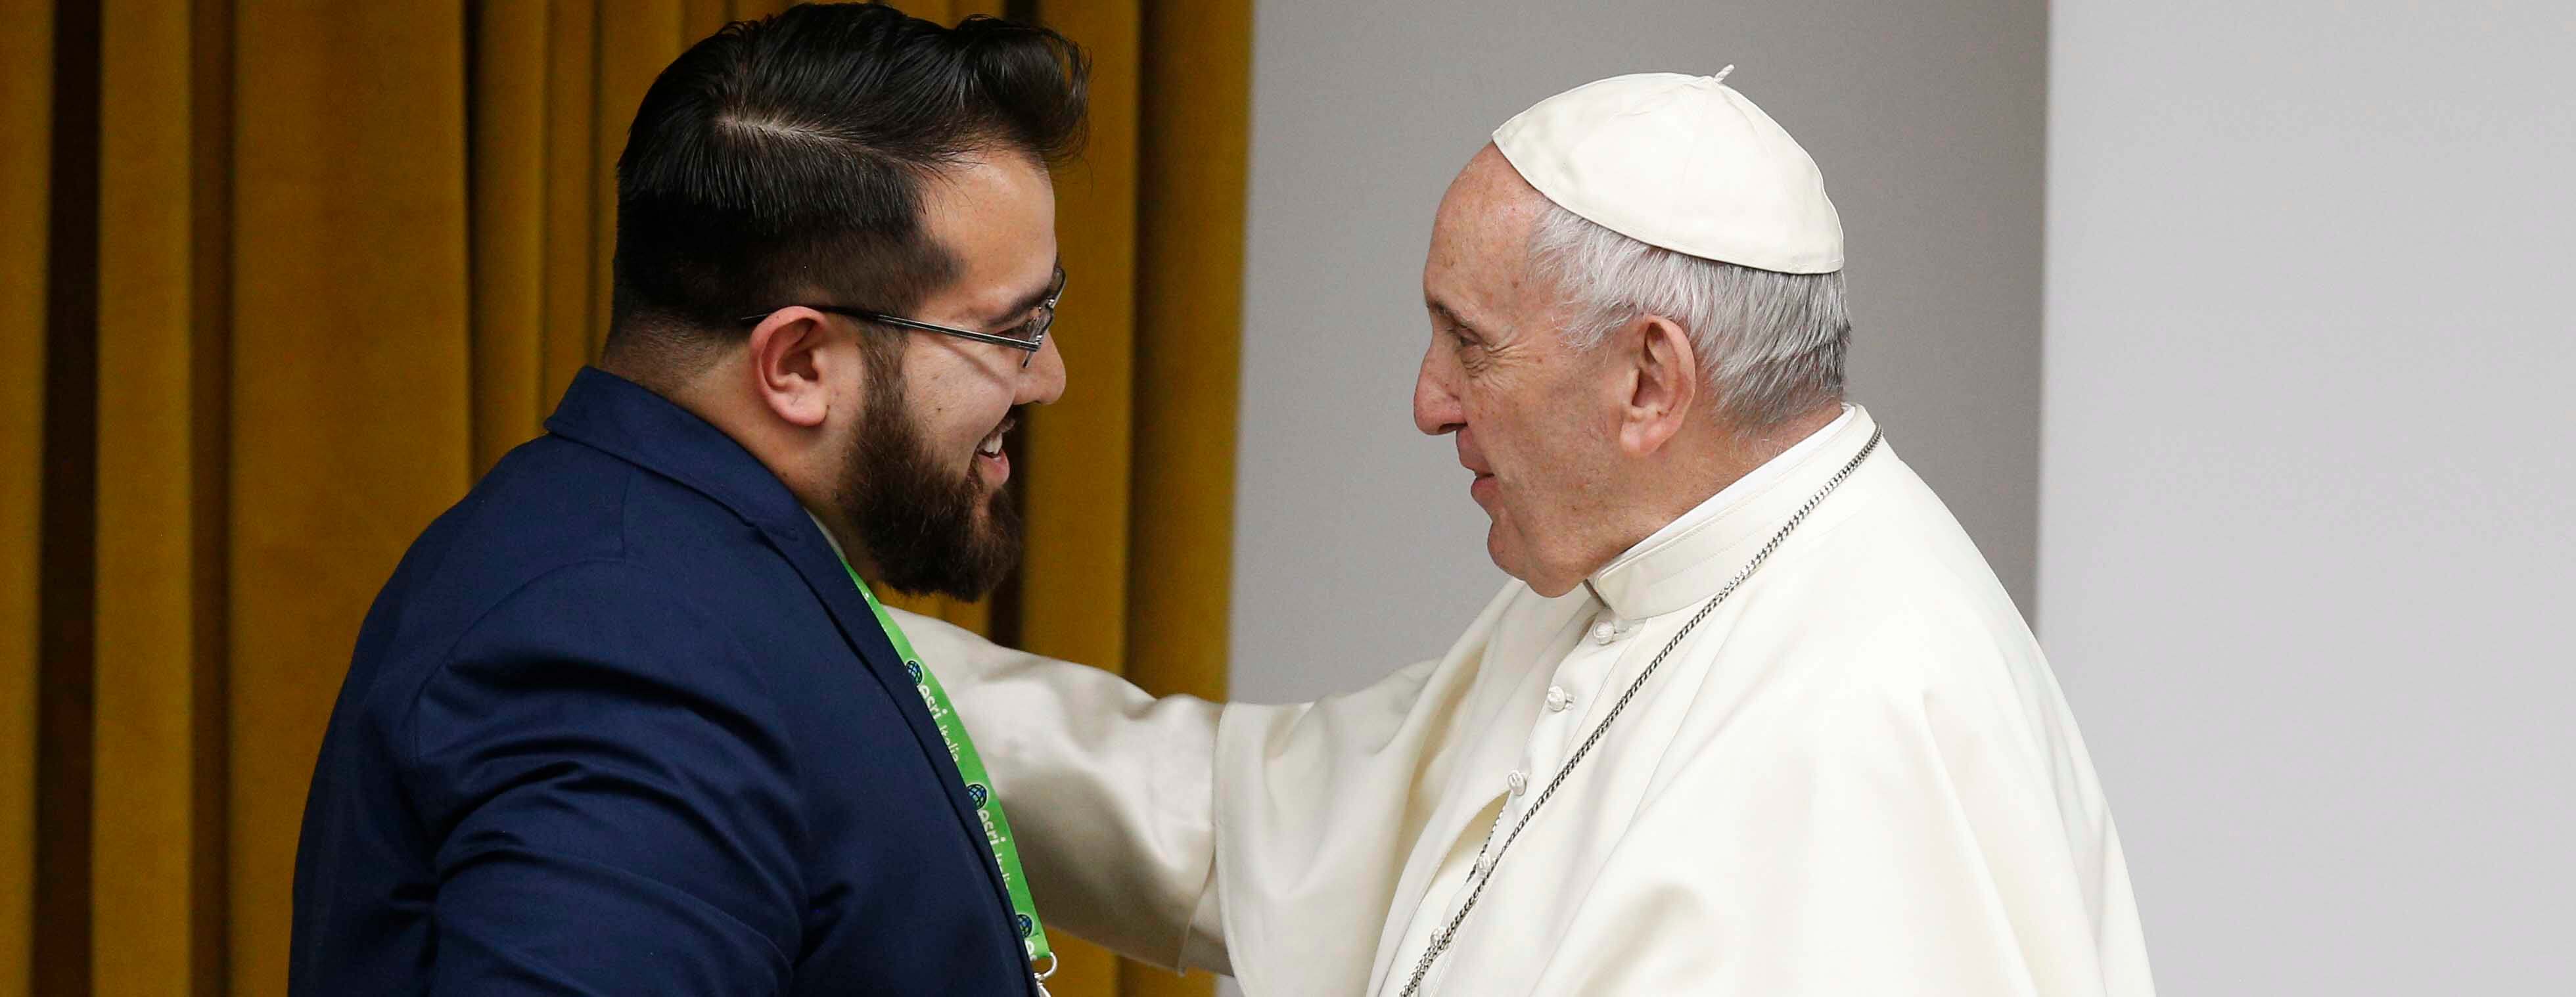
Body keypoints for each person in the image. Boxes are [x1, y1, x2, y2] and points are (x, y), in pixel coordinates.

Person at [911, 72, 2156, 995]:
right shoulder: (1638, 575)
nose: (1428, 400)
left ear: (1649, 379)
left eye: (1471, 342)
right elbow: (1248, 832)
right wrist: (853, 652)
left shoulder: (1871, 722)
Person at [289, 5, 1087, 994]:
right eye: (1011, 331)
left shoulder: (687, 569)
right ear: (798, 363)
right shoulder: (619, 648)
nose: (1048, 377)